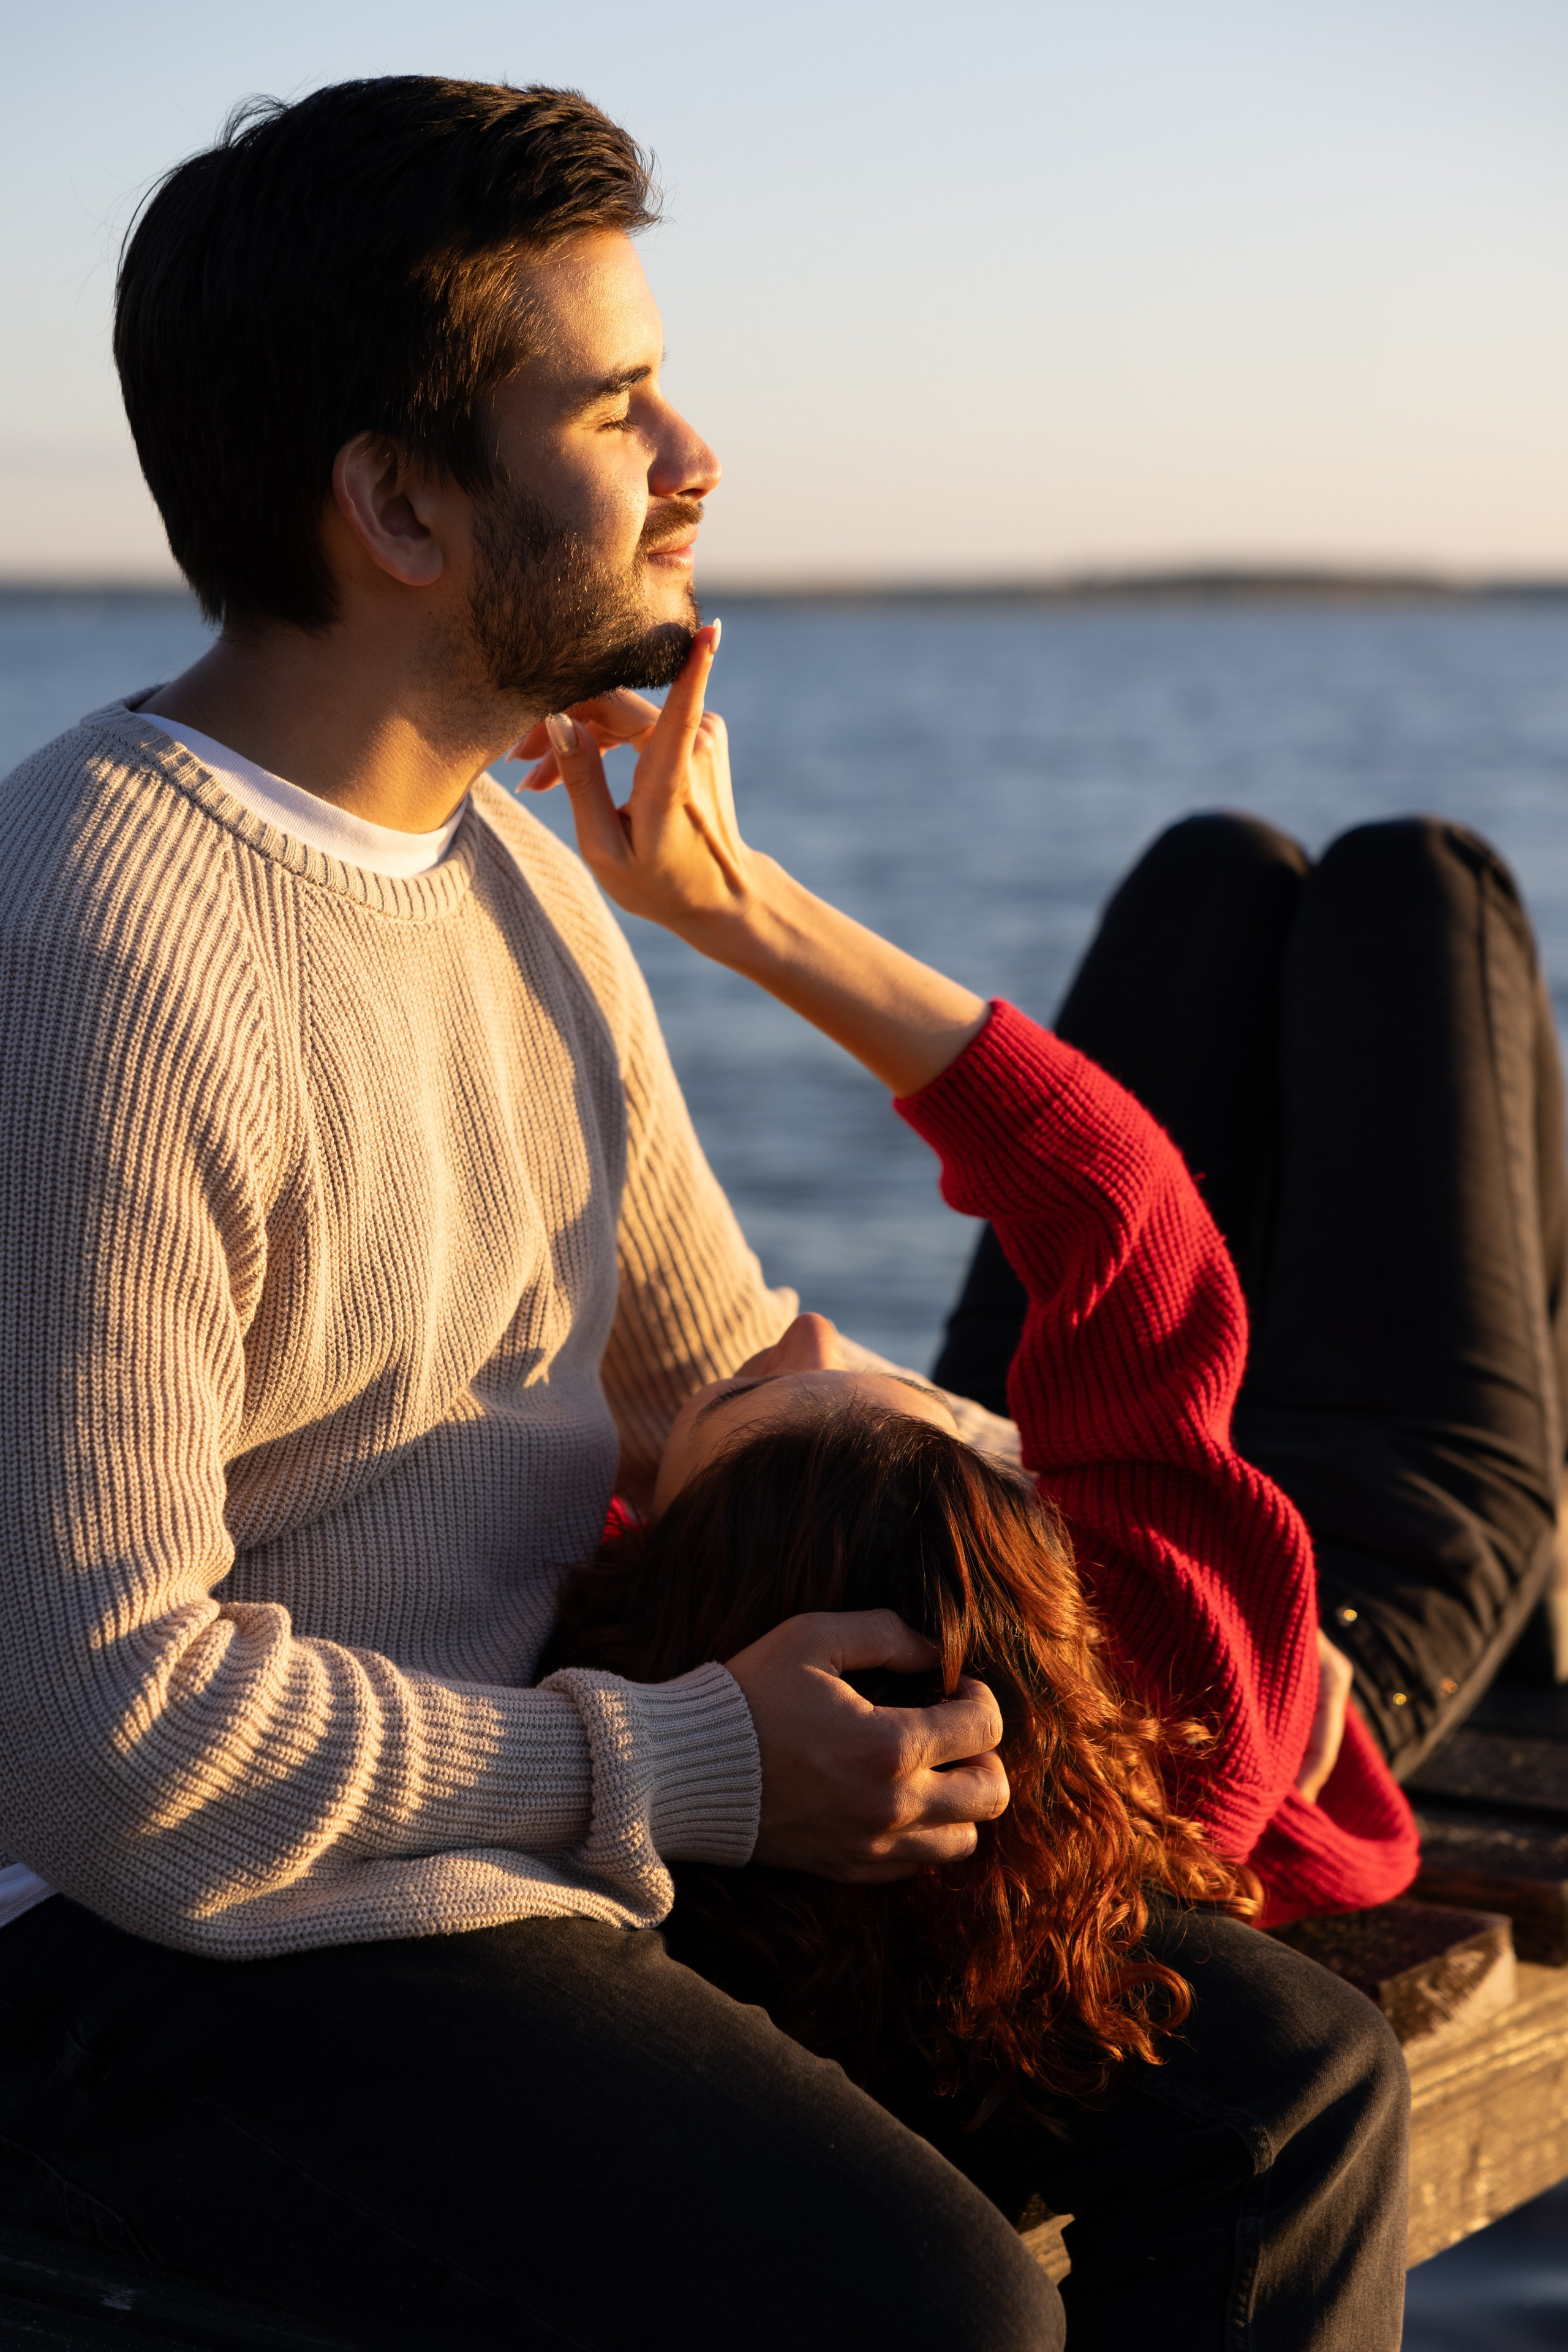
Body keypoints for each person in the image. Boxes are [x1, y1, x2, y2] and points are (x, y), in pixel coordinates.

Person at [0, 73, 1394, 2352]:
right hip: (139, 1946)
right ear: (398, 506)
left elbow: (730, 1370)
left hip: (512, 1829)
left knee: (1283, 2087)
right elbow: (101, 1736)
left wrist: (1135, 1556)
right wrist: (697, 1764)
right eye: (623, 402)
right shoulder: (86, 956)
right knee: (925, 2304)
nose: (698, 459)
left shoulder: (508, 886)